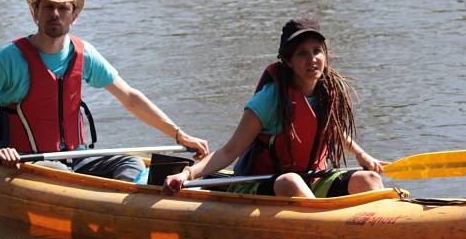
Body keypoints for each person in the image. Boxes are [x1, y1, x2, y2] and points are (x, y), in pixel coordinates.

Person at [0, 0, 208, 180]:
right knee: (58, 172)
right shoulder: (8, 59)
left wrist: (179, 135)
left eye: (63, 8)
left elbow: (130, 98)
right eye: (47, 6)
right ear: (35, 13)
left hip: (76, 159)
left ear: (73, 16)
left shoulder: (84, 53)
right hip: (27, 161)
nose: (55, 14)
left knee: (131, 164)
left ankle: (118, 208)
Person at [163, 18, 385, 198]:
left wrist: (361, 154)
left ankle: (381, 229)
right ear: (288, 61)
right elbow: (228, 152)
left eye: (317, 51)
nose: (312, 59)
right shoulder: (269, 100)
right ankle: (327, 233)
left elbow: (331, 131)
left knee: (370, 179)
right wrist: (187, 174)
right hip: (259, 184)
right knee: (291, 181)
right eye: (302, 53)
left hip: (310, 179)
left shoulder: (327, 91)